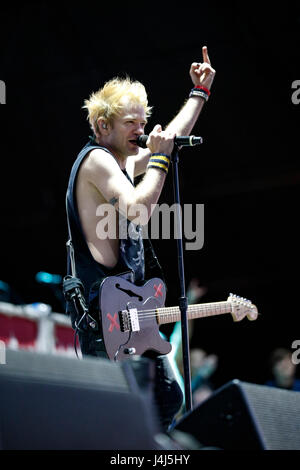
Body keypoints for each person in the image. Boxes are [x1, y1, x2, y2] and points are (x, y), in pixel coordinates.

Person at [65, 46, 215, 431]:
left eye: (142, 120)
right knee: (125, 418)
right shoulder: (98, 160)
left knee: (167, 398)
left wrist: (199, 93)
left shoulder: (121, 161)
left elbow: (169, 137)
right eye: (130, 122)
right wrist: (162, 162)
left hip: (128, 313)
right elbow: (137, 208)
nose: (141, 129)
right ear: (102, 126)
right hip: (106, 322)